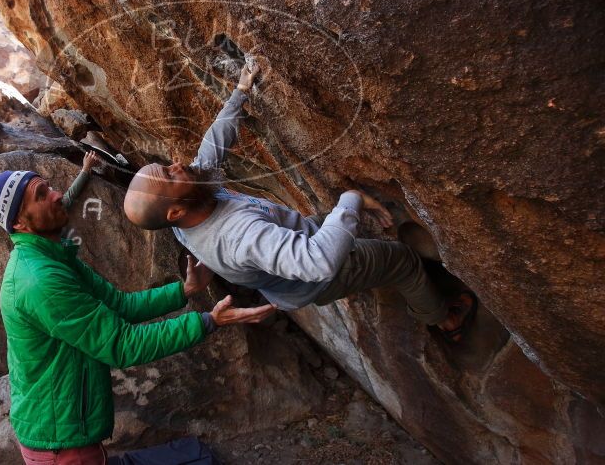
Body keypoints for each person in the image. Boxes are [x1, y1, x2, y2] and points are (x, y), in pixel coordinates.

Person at [123, 63, 476, 342]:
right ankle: (444, 319)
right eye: (170, 174)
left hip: (294, 246)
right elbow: (318, 261)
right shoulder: (239, 235)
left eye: (167, 166)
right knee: (403, 262)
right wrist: (350, 200)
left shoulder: (188, 210)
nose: (178, 165)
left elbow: (209, 153)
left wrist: (240, 94)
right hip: (320, 275)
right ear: (175, 211)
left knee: (334, 223)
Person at [0, 166, 275, 465]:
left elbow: (120, 305)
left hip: (63, 433)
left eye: (49, 186)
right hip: (62, 446)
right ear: (18, 222)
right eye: (41, 195)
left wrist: (184, 290)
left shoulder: (54, 258)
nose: (56, 195)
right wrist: (210, 321)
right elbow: (121, 345)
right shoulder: (40, 280)